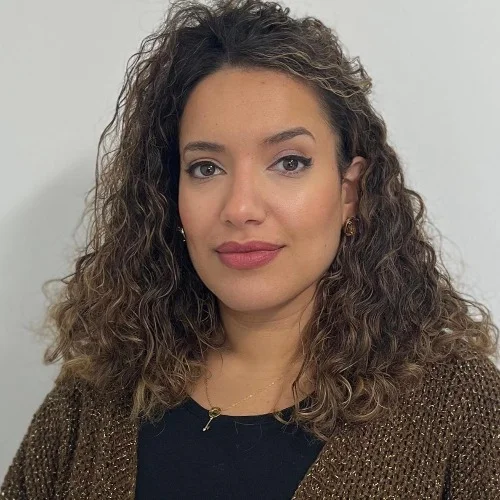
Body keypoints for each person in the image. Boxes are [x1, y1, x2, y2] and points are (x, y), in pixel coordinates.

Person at [2, 0, 499, 498]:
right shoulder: (92, 398)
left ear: (349, 191)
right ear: (169, 198)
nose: (240, 208)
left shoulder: (460, 408)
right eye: (206, 168)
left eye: (288, 162)